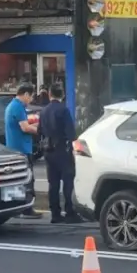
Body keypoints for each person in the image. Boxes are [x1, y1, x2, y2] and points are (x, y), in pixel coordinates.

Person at [39, 85, 82, 224]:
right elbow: (71, 133)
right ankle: (69, 212)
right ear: (62, 95)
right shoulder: (63, 110)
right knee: (68, 182)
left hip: (48, 150)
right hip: (62, 150)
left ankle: (55, 214)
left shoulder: (43, 111)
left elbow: (39, 130)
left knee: (53, 183)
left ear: (50, 94)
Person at [4, 84, 42, 219]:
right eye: (31, 96)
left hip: (15, 148)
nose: (31, 99)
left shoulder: (12, 106)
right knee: (26, 179)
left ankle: (16, 208)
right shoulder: (18, 107)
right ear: (25, 94)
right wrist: (40, 130)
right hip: (21, 149)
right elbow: (25, 128)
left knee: (16, 179)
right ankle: (26, 209)